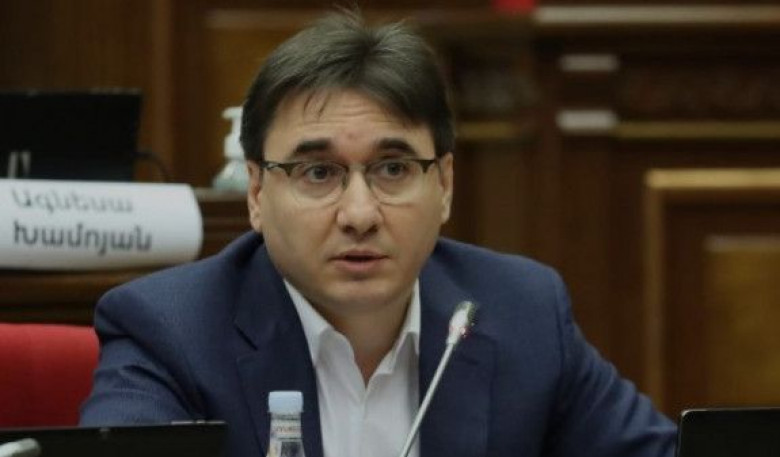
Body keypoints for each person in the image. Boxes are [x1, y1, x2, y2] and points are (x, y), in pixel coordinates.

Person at [80, 9, 677, 457]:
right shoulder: (171, 332)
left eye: (393, 169)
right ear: (257, 193)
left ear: (444, 184)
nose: (360, 213)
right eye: (318, 173)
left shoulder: (522, 312)